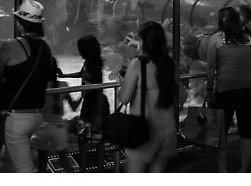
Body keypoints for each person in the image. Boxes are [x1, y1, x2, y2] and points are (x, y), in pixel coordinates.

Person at [0, 0, 56, 173]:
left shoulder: (11, 45)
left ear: (19, 22)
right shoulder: (46, 48)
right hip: (36, 116)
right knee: (6, 161)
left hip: (16, 118)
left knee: (25, 170)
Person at [206, 7, 251, 172]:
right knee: (247, 131)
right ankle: (243, 170)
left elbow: (210, 68)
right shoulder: (248, 38)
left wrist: (209, 90)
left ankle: (223, 171)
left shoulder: (216, 39)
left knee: (221, 133)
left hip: (226, 88)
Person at [118, 21, 177, 173]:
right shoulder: (169, 63)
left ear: (143, 42)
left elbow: (124, 98)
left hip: (144, 132)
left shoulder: (138, 64)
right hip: (168, 130)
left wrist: (121, 78)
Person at [58, 34, 109, 171]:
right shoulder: (88, 62)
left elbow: (99, 90)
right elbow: (81, 73)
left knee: (96, 139)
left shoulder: (95, 65)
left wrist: (98, 114)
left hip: (96, 105)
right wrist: (64, 75)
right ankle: (86, 168)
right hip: (88, 104)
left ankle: (96, 169)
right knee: (85, 137)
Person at [32, 59, 77, 173]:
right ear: (56, 70)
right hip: (59, 128)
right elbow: (74, 107)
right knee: (65, 162)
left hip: (42, 128)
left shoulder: (38, 87)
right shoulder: (63, 85)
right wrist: (84, 95)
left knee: (42, 163)